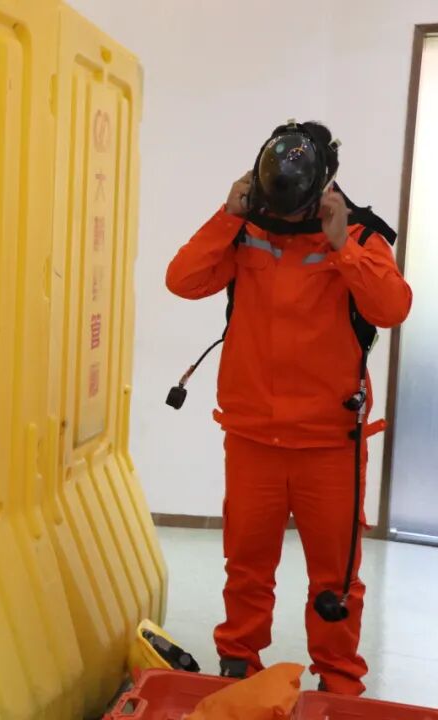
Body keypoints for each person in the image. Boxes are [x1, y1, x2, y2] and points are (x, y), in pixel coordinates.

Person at [165, 121, 412, 695]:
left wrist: (342, 247)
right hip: (253, 435)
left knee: (336, 580)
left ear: (324, 187)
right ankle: (239, 667)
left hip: (330, 443)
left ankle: (339, 682)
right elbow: (182, 280)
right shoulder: (245, 230)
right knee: (246, 567)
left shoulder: (360, 235)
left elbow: (392, 307)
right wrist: (227, 215)